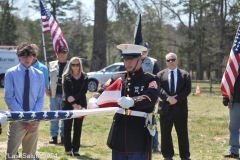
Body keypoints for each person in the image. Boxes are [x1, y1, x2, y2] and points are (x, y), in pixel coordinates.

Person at [88, 44, 160, 160]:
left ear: (140, 59)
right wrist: (94, 99)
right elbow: (102, 91)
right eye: (126, 59)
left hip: (139, 133)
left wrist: (133, 101)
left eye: (131, 59)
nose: (128, 63)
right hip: (119, 132)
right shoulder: (117, 77)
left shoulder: (150, 79)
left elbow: (150, 97)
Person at [4, 42, 45, 159]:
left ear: (34, 57)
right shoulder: (11, 73)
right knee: (11, 155)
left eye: (30, 56)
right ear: (19, 56)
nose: (27, 59)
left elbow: (40, 98)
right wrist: (25, 117)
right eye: (24, 56)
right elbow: (9, 97)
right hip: (17, 119)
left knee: (29, 155)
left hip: (34, 121)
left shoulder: (39, 74)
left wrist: (33, 118)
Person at [157, 52, 191, 160]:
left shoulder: (185, 74)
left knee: (182, 133)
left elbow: (187, 89)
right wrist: (168, 98)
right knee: (165, 133)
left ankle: (185, 155)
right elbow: (158, 89)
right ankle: (167, 155)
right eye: (168, 60)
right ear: (166, 62)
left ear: (177, 60)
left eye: (173, 59)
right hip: (165, 109)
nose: (171, 62)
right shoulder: (160, 75)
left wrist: (176, 99)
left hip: (180, 108)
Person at [62, 57, 88, 156]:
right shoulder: (66, 76)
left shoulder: (85, 76)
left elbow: (84, 91)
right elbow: (66, 91)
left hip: (81, 105)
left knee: (78, 128)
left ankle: (76, 149)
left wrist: (76, 100)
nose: (75, 67)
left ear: (80, 66)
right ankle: (68, 149)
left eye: (77, 65)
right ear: (70, 65)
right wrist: (73, 104)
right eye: (73, 65)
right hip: (68, 105)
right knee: (67, 128)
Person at [140, 42, 160, 153]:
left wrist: (156, 96)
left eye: (145, 49)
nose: (143, 51)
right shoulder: (134, 60)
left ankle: (155, 145)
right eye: (142, 49)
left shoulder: (153, 62)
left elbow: (157, 80)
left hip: (150, 96)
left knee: (151, 121)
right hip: (137, 95)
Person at [48, 46, 69, 144]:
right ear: (57, 54)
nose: (62, 54)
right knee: (53, 116)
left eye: (64, 52)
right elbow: (47, 78)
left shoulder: (70, 65)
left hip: (66, 95)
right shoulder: (51, 64)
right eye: (60, 52)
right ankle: (54, 136)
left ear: (67, 53)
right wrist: (47, 88)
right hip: (54, 94)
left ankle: (64, 137)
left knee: (64, 117)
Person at [222, 69, 240, 158]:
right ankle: (234, 151)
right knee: (233, 127)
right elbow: (227, 83)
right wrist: (225, 97)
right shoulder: (234, 67)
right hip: (235, 102)